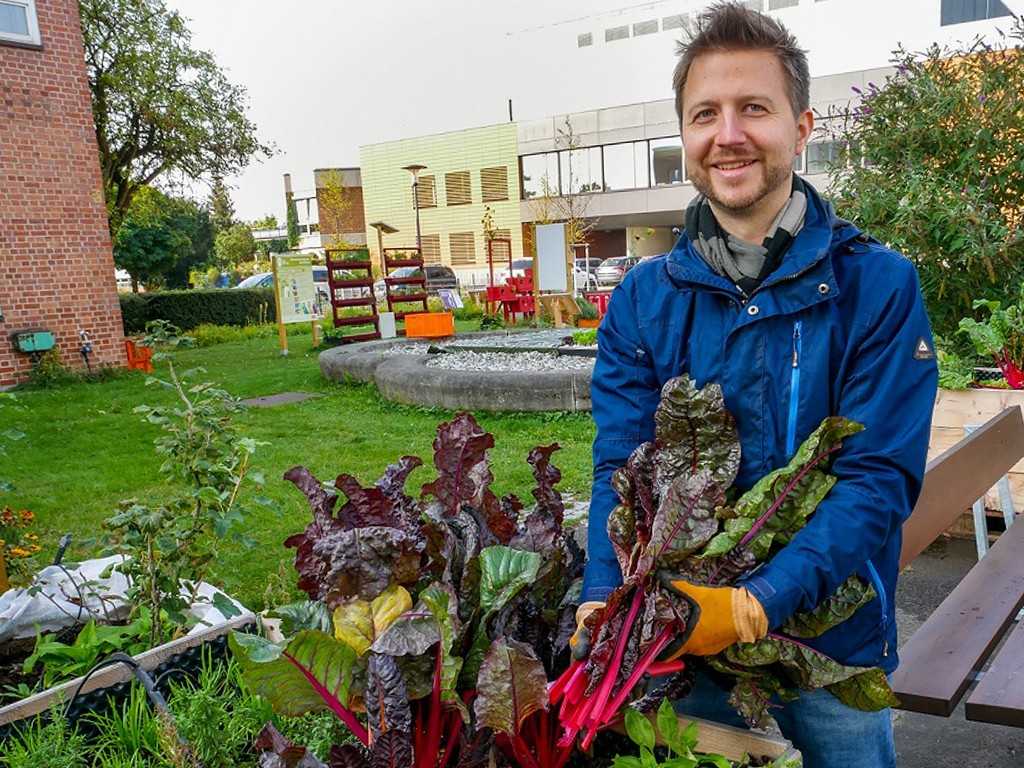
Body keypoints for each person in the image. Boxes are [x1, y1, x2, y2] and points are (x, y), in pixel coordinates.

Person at [575, 4, 938, 767]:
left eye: (754, 109)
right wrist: (602, 594)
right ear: (685, 135)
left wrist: (753, 605)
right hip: (683, 641)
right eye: (705, 113)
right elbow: (621, 464)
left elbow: (875, 481)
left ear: (801, 127)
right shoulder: (642, 300)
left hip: (830, 637)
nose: (727, 133)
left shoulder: (877, 285)